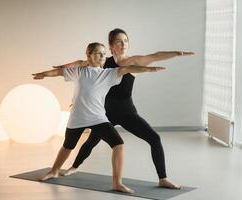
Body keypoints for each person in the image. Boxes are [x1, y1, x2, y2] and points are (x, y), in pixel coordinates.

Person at [55, 29, 194, 189]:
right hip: (104, 113)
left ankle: (163, 179)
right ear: (111, 45)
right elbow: (80, 65)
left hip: (127, 113)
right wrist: (61, 68)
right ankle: (73, 167)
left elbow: (156, 56)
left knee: (154, 139)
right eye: (119, 41)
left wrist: (177, 53)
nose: (123, 44)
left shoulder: (134, 61)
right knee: (91, 142)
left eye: (126, 41)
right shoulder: (102, 61)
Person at [32, 42, 165, 194]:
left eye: (103, 53)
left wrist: (148, 69)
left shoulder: (108, 74)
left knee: (118, 145)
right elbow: (59, 72)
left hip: (98, 118)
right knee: (68, 146)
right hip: (77, 118)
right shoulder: (79, 71)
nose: (102, 56)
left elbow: (128, 68)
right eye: (97, 53)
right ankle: (54, 171)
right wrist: (43, 74)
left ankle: (117, 183)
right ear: (88, 55)